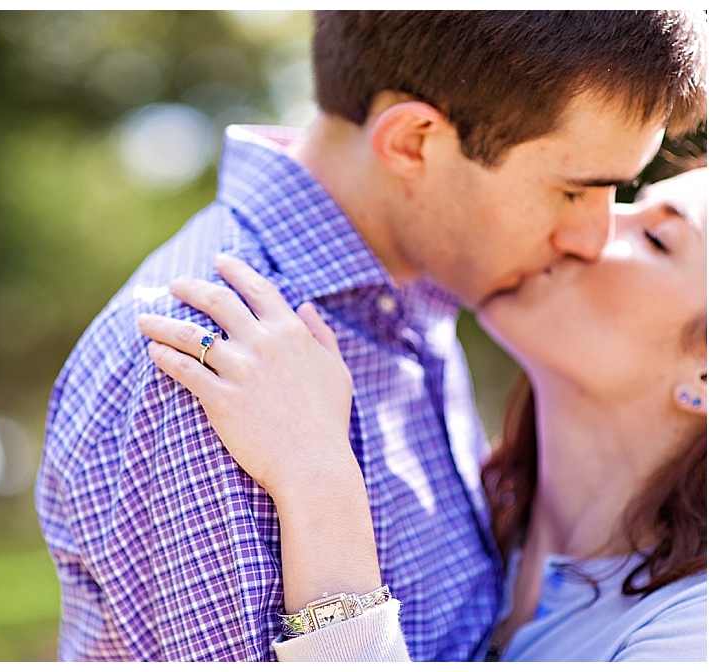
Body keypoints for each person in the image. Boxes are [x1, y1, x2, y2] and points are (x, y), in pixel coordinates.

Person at [35, 11, 706, 661]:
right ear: (413, 142)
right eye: (573, 191)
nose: (590, 238)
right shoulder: (214, 359)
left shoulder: (420, 293)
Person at [136, 165, 707, 661]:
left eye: (658, 237)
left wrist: (319, 482)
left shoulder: (695, 635)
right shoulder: (474, 512)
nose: (589, 228)